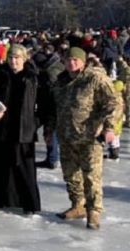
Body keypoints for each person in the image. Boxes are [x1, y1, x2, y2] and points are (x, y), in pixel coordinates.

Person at [48, 47, 117, 229]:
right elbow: (54, 110)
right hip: (66, 136)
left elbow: (113, 103)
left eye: (76, 60)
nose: (72, 63)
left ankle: (93, 212)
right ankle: (77, 206)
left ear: (83, 61)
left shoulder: (95, 78)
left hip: (90, 138)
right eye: (68, 60)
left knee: (91, 177)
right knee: (71, 175)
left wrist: (109, 127)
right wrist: (49, 131)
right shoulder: (61, 82)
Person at [0, 45, 42, 214]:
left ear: (24, 59)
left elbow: (45, 104)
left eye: (17, 58)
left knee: (24, 168)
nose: (14, 61)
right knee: (0, 165)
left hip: (24, 129)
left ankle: (29, 204)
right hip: (2, 128)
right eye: (11, 58)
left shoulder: (33, 77)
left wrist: (36, 122)